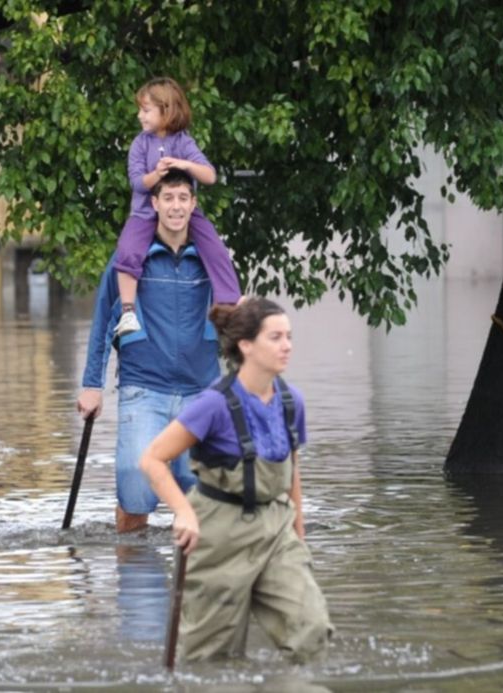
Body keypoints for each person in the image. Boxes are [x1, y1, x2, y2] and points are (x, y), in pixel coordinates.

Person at [139, 298, 332, 661]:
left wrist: (300, 539)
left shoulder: (292, 402)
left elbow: (292, 474)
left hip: (276, 530)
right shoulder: (213, 404)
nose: (287, 346)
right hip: (218, 534)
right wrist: (183, 512)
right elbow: (152, 459)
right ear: (246, 345)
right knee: (212, 660)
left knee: (311, 628)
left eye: (289, 336)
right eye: (275, 337)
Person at [78, 168, 222, 533]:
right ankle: (134, 563)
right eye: (168, 198)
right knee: (135, 491)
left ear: (193, 204)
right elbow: (102, 321)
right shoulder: (129, 259)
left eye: (183, 198)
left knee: (202, 502)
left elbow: (234, 321)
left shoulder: (212, 259)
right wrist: (92, 385)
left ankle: (189, 570)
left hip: (201, 393)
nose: (176, 206)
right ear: (154, 203)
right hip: (144, 389)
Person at [113, 76, 241, 337]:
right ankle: (128, 312)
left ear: (166, 110)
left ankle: (229, 305)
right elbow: (137, 182)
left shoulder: (184, 142)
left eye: (145, 110)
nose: (139, 116)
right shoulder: (140, 144)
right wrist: (156, 174)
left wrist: (185, 165)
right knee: (127, 251)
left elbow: (209, 176)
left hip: (183, 214)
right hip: (144, 213)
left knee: (217, 249)